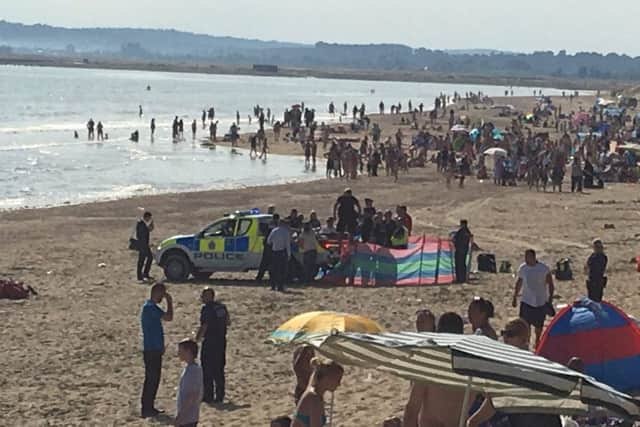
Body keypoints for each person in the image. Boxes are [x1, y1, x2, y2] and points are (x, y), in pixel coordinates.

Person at [466, 318, 562, 427]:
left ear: (524, 339)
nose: (506, 338)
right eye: (504, 333)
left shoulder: (518, 366)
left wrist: (472, 422)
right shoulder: (533, 361)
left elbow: (493, 401)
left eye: (511, 334)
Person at [404, 312, 465, 427]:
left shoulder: (431, 365)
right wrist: (474, 421)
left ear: (438, 332)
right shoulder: (470, 367)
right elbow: (492, 400)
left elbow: (411, 411)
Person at [140, 283, 173, 418]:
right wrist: (169, 302)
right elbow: (168, 317)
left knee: (154, 379)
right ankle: (146, 408)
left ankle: (149, 406)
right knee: (151, 379)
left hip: (155, 349)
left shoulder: (152, 307)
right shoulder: (150, 308)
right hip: (151, 349)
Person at [512, 249, 555, 347]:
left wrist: (550, 299)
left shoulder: (543, 269)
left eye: (528, 257)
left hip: (540, 302)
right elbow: (519, 282)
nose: (526, 259)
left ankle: (537, 342)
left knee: (539, 326)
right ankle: (526, 343)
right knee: (525, 325)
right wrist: (515, 296)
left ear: (533, 257)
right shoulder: (523, 268)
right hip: (526, 301)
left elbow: (550, 284)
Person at [195, 287, 230, 404]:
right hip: (221, 341)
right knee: (219, 368)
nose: (202, 298)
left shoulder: (207, 309)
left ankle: (208, 395)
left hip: (210, 341)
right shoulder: (221, 307)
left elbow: (204, 326)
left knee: (207, 369)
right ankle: (220, 395)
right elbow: (228, 321)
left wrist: (197, 339)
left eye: (203, 295)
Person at [293, 358, 344, 427]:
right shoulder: (313, 398)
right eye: (338, 380)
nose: (339, 384)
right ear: (327, 378)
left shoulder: (315, 393)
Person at [175, 339, 203, 427]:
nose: (178, 353)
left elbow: (193, 395)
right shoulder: (189, 368)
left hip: (188, 418)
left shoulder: (193, 371)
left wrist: (181, 416)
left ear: (188, 351)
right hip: (187, 417)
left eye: (181, 351)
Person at [267, 216, 292, 292]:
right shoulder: (286, 232)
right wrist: (289, 254)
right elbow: (287, 244)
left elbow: (268, 241)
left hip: (274, 252)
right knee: (282, 270)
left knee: (274, 270)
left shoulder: (274, 231)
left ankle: (273, 286)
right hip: (282, 253)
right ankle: (280, 286)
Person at [135, 211, 154, 282]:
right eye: (149, 218)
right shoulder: (141, 224)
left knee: (146, 259)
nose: (149, 219)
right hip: (142, 245)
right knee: (143, 260)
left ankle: (144, 274)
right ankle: (140, 275)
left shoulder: (143, 224)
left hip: (144, 244)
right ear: (146, 217)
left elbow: (149, 230)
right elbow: (141, 235)